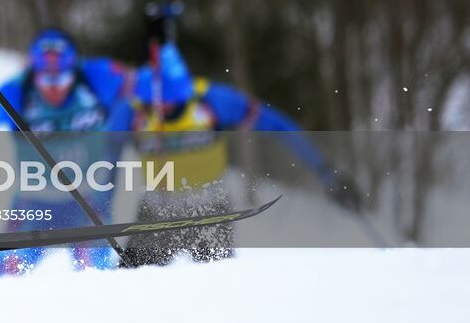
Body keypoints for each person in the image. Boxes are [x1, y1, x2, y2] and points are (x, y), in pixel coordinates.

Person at [117, 40, 362, 266]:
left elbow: (278, 126)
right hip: (156, 212)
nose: (163, 108)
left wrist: (326, 173)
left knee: (217, 297)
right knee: (131, 292)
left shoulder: (213, 100)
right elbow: (99, 150)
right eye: (156, 101)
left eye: (172, 99)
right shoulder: (133, 111)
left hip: (209, 212)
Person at [0, 28, 135, 277]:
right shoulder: (17, 91)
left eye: (61, 80)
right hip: (34, 207)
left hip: (88, 205)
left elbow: (149, 88)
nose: (54, 90)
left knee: (96, 281)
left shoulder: (96, 77)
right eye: (46, 81)